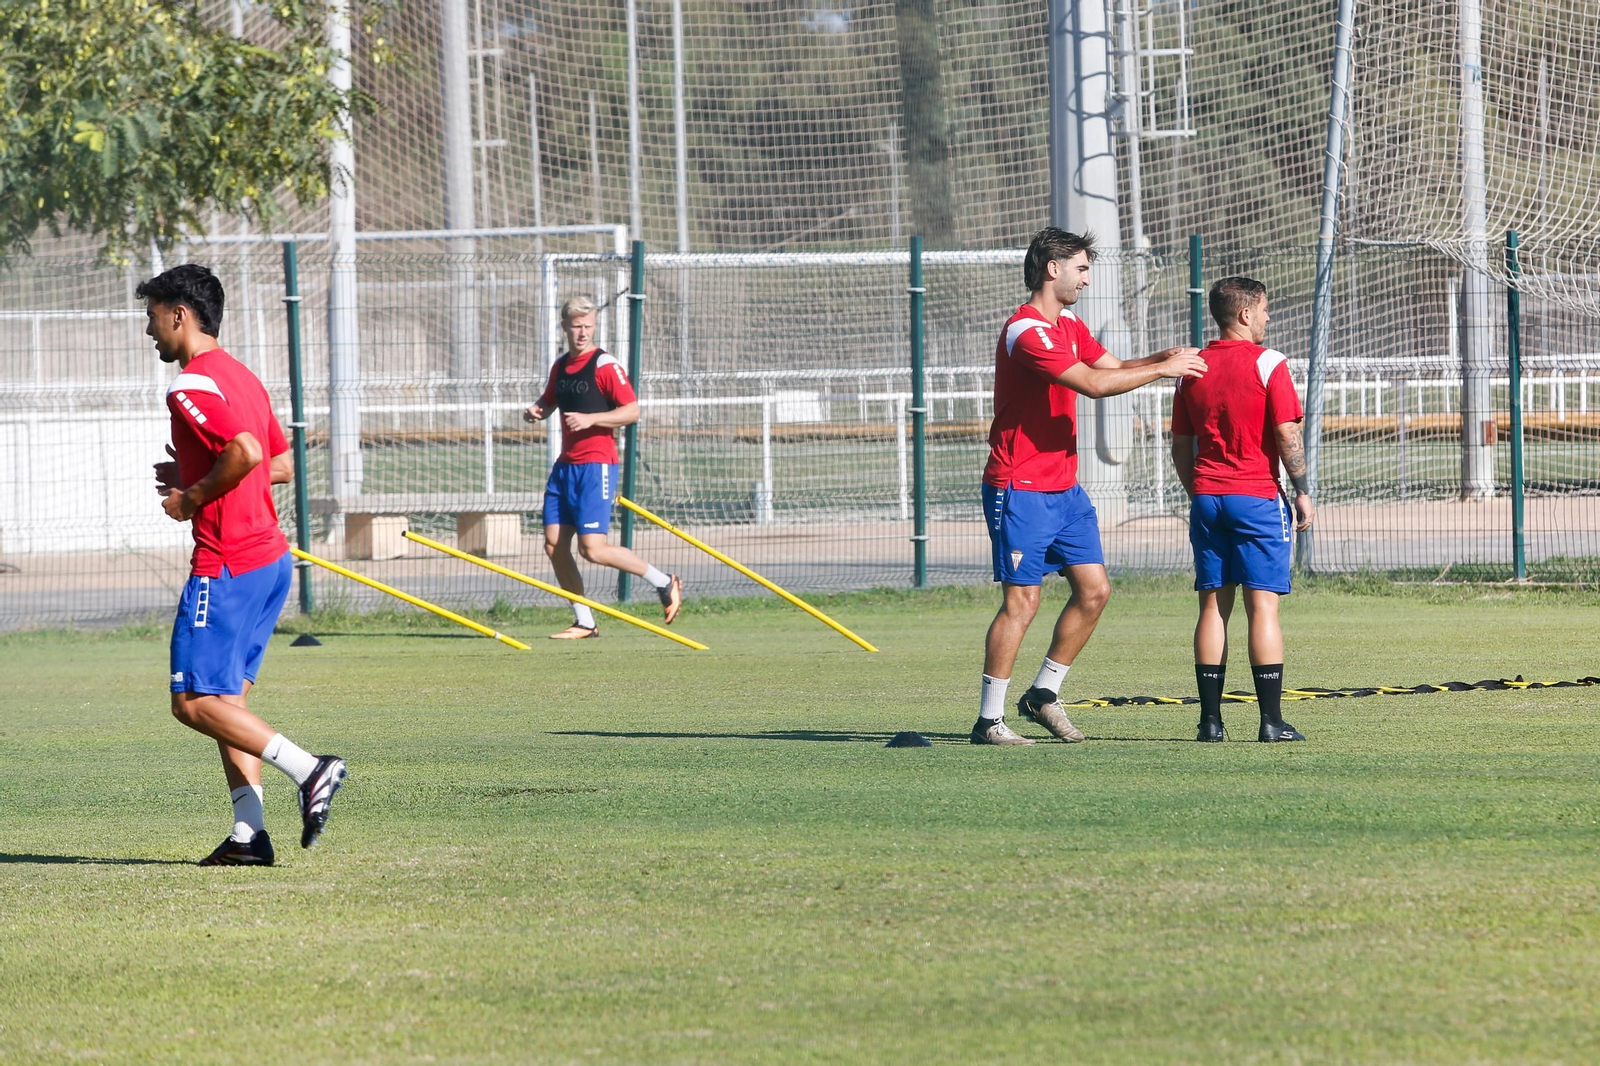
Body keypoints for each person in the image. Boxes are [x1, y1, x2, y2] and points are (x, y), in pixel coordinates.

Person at [145, 264, 347, 865]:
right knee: (226, 705)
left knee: (192, 703)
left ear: (180, 314)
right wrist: (194, 471)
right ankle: (248, 834)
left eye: (152, 317)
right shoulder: (244, 377)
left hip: (227, 564)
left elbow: (247, 451)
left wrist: (189, 497)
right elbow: (278, 465)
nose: (149, 330)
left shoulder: (189, 385)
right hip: (270, 561)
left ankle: (310, 769)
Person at [973, 228, 1208, 745]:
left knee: (1095, 591)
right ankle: (989, 721)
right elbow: (1094, 385)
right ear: (1052, 268)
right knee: (1022, 602)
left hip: (1064, 489)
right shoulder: (1027, 331)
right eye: (1080, 268)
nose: (1086, 279)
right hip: (1021, 486)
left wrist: (1162, 358)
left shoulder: (1069, 324)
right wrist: (1164, 370)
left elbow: (1113, 367)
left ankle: (1042, 695)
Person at [1169, 276, 1315, 743]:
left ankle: (1210, 723)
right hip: (1256, 498)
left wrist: (1198, 491)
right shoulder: (1270, 363)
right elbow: (1287, 434)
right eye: (1265, 309)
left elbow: (1180, 445)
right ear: (1246, 314)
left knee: (1213, 607)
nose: (1268, 317)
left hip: (1207, 499)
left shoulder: (1191, 368)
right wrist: (1303, 490)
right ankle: (1271, 722)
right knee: (1263, 609)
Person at [523, 296, 683, 638]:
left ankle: (663, 581)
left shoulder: (605, 365)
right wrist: (537, 410)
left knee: (592, 549)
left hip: (597, 467)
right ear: (564, 327)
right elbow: (549, 401)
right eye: (576, 326)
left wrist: (592, 419)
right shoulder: (560, 366)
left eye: (588, 326)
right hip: (565, 467)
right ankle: (585, 621)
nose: (582, 332)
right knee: (553, 545)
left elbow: (632, 410)